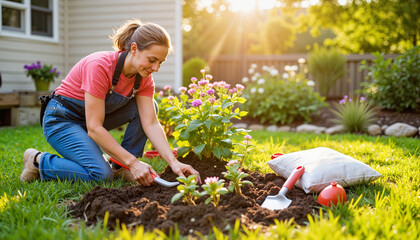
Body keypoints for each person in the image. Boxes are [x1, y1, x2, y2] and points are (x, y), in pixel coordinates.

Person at [20, 19, 201, 186]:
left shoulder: (144, 78)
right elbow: (94, 128)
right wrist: (134, 162)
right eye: (152, 60)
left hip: (90, 120)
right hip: (62, 120)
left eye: (160, 63)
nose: (155, 68)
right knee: (100, 175)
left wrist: (173, 162)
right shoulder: (100, 66)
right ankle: (37, 161)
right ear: (134, 48)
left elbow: (151, 123)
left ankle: (121, 168)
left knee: (148, 108)